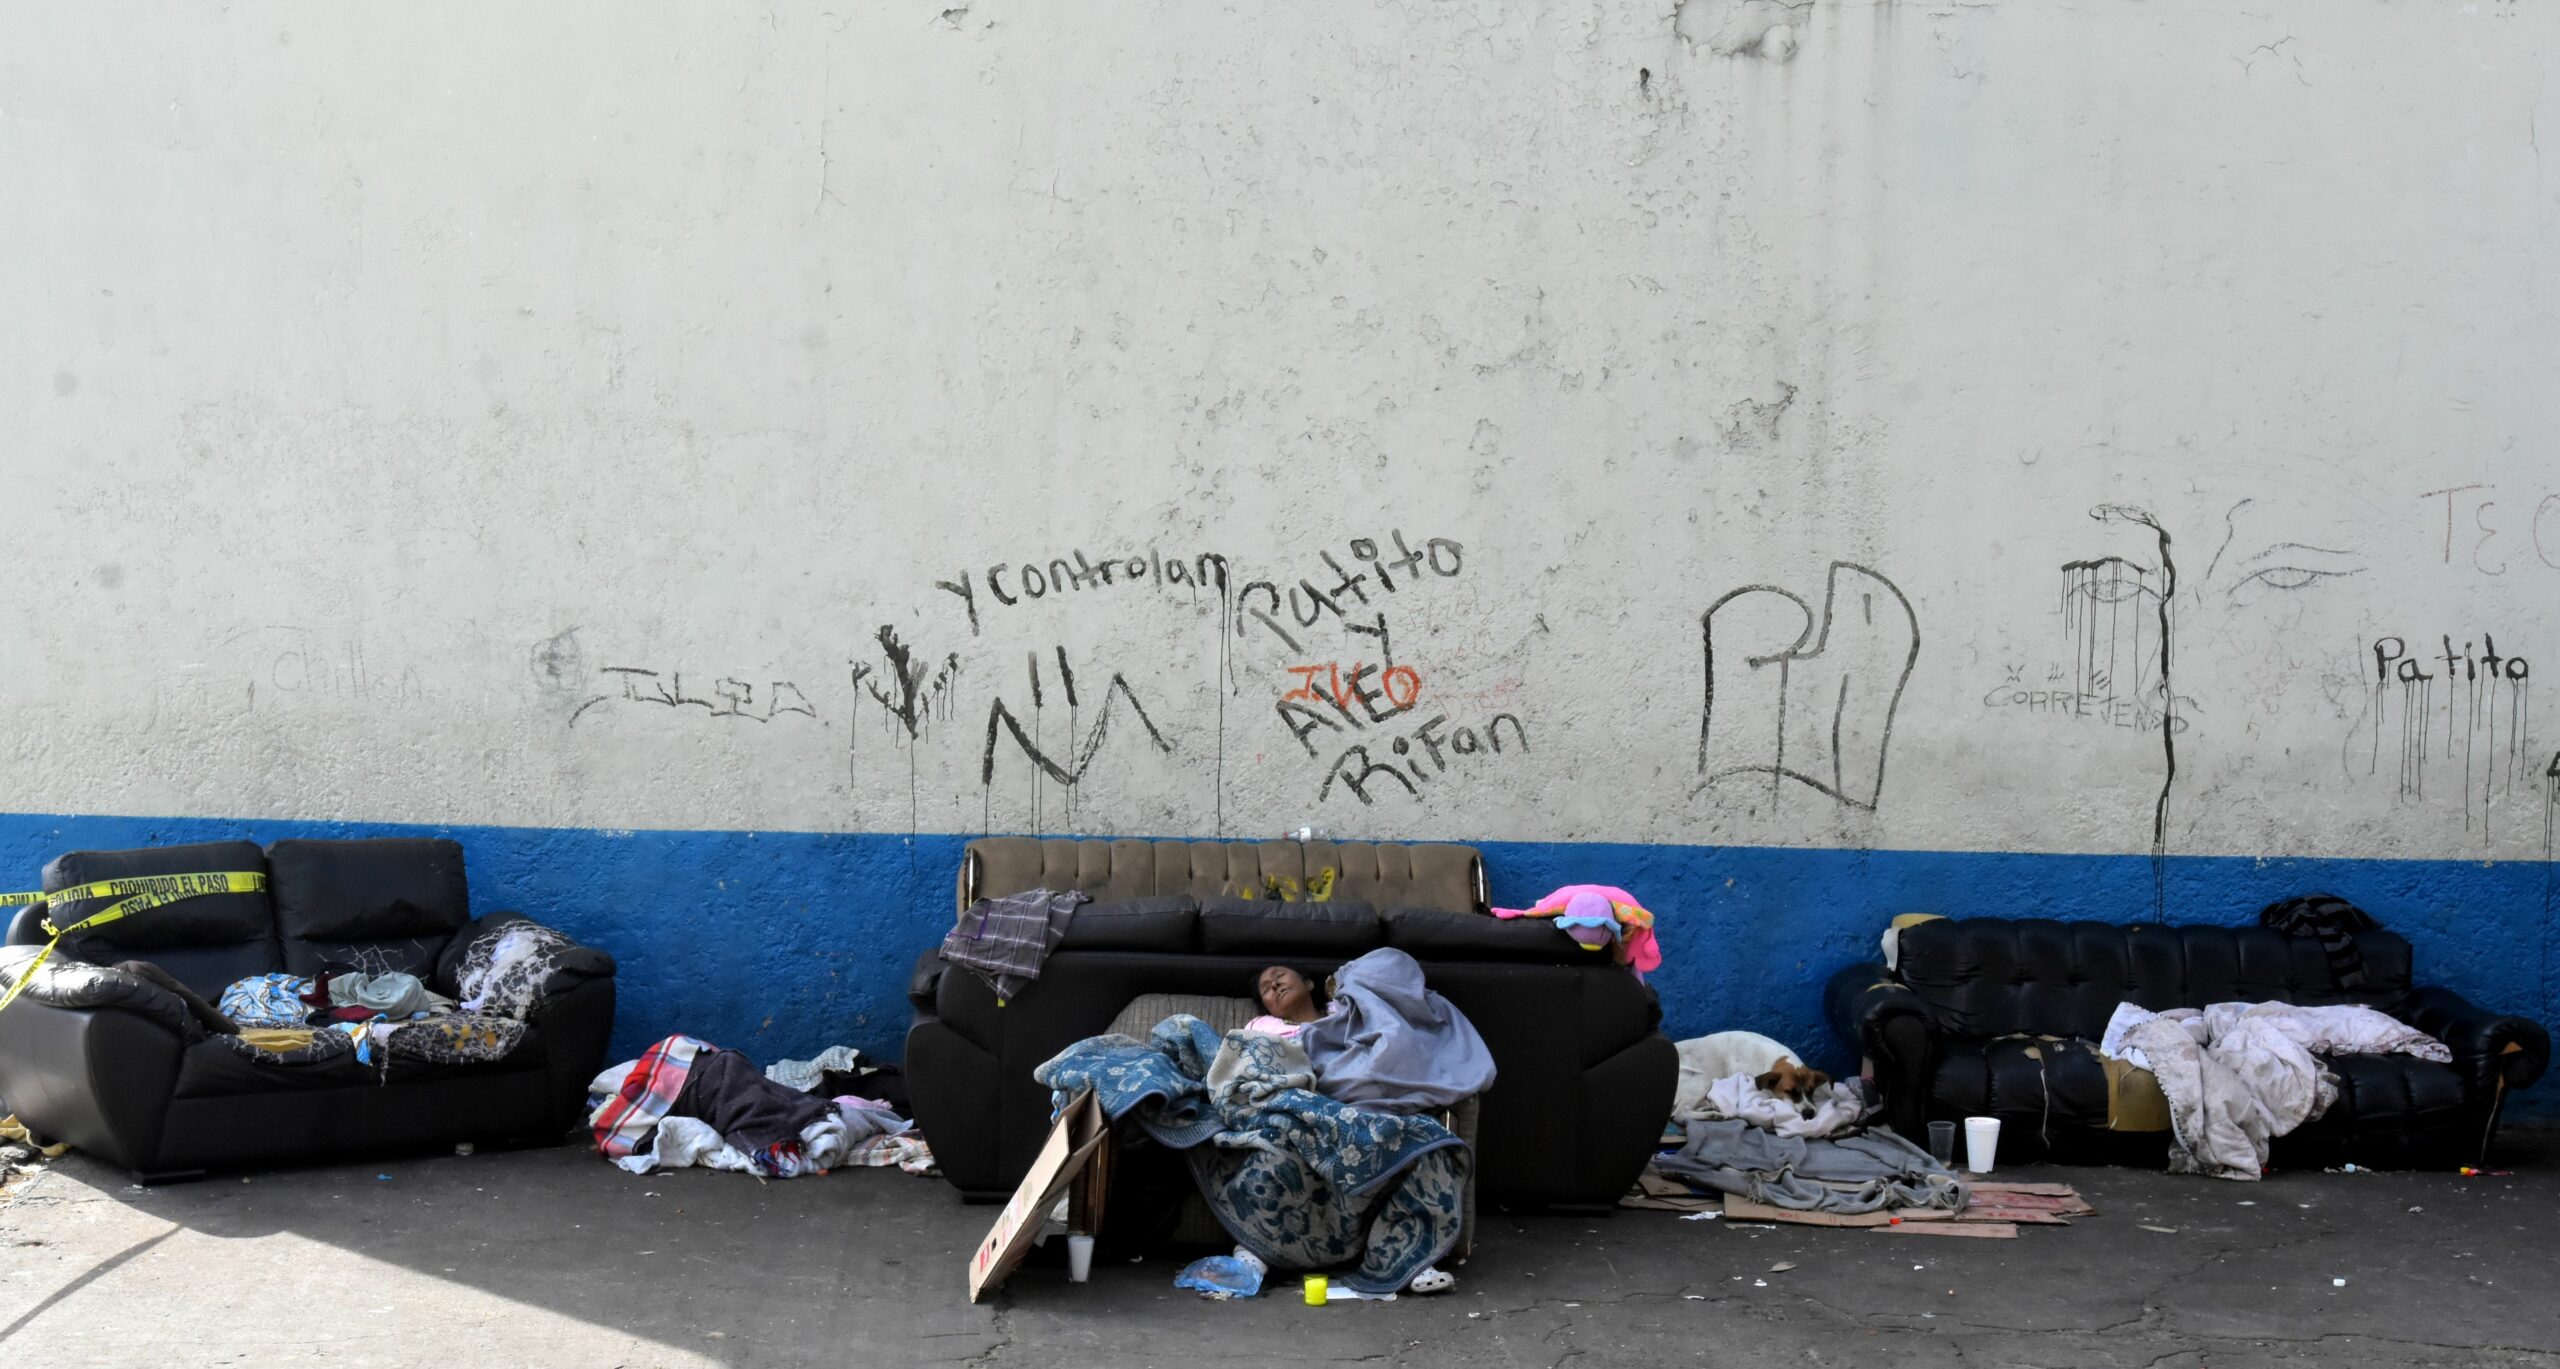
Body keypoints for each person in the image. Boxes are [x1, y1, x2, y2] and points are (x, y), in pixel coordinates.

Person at [1245, 965, 1327, 1038]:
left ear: (1308, 983)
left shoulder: (1335, 1011)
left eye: (1280, 975)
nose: (1274, 984)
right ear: (1267, 1008)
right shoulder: (1260, 1030)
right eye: (1266, 989)